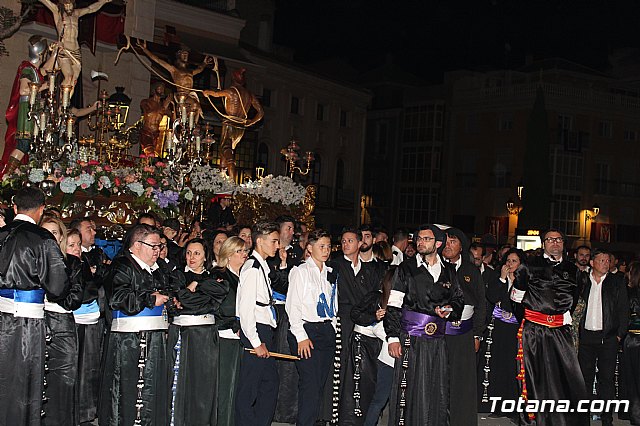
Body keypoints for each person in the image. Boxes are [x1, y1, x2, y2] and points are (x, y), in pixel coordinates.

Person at [0, 186, 70, 424]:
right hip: (26, 324)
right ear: (41, 210)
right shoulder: (42, 238)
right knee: (24, 383)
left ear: (15, 207)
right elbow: (59, 287)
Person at [384, 224, 463, 425]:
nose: (420, 242)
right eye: (418, 238)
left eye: (426, 239)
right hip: (411, 338)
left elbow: (459, 301)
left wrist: (449, 308)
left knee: (437, 387)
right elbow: (393, 303)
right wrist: (392, 337)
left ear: (438, 243)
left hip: (437, 340)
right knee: (410, 389)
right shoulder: (406, 269)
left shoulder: (449, 271)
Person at [510, 229, 589, 425]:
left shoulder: (574, 270)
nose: (555, 243)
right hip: (533, 331)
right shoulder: (528, 267)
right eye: (550, 239)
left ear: (564, 243)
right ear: (543, 243)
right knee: (534, 378)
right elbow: (516, 300)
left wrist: (558, 318)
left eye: (559, 239)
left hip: (561, 331)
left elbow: (575, 299)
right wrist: (532, 318)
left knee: (568, 377)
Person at [99, 224, 171, 425]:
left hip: (154, 337)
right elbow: (117, 297)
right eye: (153, 246)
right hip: (130, 340)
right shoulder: (122, 265)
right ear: (137, 245)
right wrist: (149, 299)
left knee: (152, 389)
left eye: (160, 246)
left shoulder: (157, 269)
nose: (158, 251)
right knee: (131, 391)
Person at [169, 237, 226, 426]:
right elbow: (182, 300)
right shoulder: (177, 275)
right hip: (183, 333)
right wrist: (192, 296)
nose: (191, 257)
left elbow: (217, 298)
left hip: (205, 335)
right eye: (188, 253)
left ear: (205, 257)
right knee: (180, 382)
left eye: (197, 253)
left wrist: (197, 286)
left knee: (204, 383)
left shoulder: (213, 277)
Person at [286, 229, 338, 426]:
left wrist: (332, 327)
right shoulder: (300, 272)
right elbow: (294, 306)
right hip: (306, 331)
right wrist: (301, 336)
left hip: (325, 330)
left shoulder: (330, 272)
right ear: (309, 248)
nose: (325, 250)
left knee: (319, 386)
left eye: (328, 246)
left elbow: (333, 304)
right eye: (321, 246)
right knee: (310, 384)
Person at [41, 216, 85, 426]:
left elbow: (74, 299)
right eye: (46, 232)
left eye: (55, 232)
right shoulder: (32, 260)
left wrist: (51, 293)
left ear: (61, 236)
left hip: (63, 326)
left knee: (64, 380)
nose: (50, 236)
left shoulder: (73, 263)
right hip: (37, 324)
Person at [440, 226, 486, 426]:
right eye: (446, 241)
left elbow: (482, 304)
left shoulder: (471, 271)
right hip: (439, 331)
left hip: (465, 333)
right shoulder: (435, 267)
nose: (448, 246)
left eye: (453, 242)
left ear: (462, 246)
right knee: (440, 376)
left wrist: (477, 334)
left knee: (463, 379)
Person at [235, 222, 280, 426]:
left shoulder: (262, 265)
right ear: (259, 241)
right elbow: (246, 309)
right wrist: (255, 341)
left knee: (269, 383)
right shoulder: (252, 268)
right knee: (250, 388)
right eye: (274, 241)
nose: (277, 246)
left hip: (264, 330)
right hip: (256, 330)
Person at [578, 248, 628, 426]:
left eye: (608, 261)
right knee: (585, 379)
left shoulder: (616, 282)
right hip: (585, 339)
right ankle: (583, 418)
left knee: (606, 381)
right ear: (592, 263)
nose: (606, 264)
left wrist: (619, 335)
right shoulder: (582, 281)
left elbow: (623, 310)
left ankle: (606, 419)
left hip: (608, 339)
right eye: (602, 261)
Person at [68, 217, 108, 425]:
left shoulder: (94, 255)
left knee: (90, 366)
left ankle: (87, 410)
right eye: (88, 229)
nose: (93, 232)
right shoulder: (68, 262)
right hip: (73, 319)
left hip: (93, 318)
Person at [481, 248, 525, 418]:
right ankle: (498, 406)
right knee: (499, 366)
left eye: (514, 261)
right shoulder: (498, 278)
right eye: (508, 261)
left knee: (515, 367)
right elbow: (492, 297)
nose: (510, 264)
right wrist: (502, 279)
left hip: (517, 328)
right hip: (500, 328)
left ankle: (515, 407)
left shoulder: (524, 281)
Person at [1, 35, 52, 177]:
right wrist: (43, 87)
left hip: (35, 111)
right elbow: (23, 90)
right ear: (41, 53)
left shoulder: (35, 71)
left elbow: (47, 68)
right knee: (23, 145)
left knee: (33, 146)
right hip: (27, 112)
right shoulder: (27, 69)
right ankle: (7, 176)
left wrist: (55, 53)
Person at [38, 0, 112, 93]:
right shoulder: (58, 12)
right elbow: (45, 1)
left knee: (73, 81)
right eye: (66, 4)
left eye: (70, 4)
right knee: (68, 76)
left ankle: (65, 104)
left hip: (76, 51)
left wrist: (103, 1)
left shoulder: (77, 13)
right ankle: (61, 101)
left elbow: (91, 9)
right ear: (62, 4)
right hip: (64, 50)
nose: (68, 7)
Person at [203, 68, 264, 180]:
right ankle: (222, 176)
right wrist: (251, 122)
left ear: (233, 79)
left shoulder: (231, 91)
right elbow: (260, 112)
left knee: (226, 150)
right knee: (226, 151)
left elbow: (216, 94)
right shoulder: (249, 95)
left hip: (230, 124)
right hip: (241, 127)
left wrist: (207, 92)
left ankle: (232, 182)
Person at [213, 237, 248, 426]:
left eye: (245, 252)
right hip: (225, 337)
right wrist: (234, 324)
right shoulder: (220, 276)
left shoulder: (243, 276)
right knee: (225, 387)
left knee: (236, 388)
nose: (244, 255)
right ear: (228, 254)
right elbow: (221, 308)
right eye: (239, 252)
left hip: (239, 338)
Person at [137, 39, 212, 124]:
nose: (185, 56)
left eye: (186, 55)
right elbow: (158, 60)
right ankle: (181, 124)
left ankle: (192, 127)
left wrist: (204, 63)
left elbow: (200, 69)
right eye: (183, 54)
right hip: (181, 96)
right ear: (179, 56)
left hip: (188, 95)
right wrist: (145, 50)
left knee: (196, 105)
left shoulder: (190, 72)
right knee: (184, 110)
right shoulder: (174, 70)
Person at [624, 261, 640, 425]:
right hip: (634, 339)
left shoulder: (628, 291)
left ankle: (636, 417)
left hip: (632, 340)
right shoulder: (630, 292)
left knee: (633, 381)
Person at [140, 82, 173, 156]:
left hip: (157, 133)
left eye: (163, 89)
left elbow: (172, 118)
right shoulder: (146, 102)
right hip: (147, 131)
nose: (162, 91)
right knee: (149, 151)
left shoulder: (163, 105)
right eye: (159, 89)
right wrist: (163, 108)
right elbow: (148, 113)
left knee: (155, 154)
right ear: (154, 90)